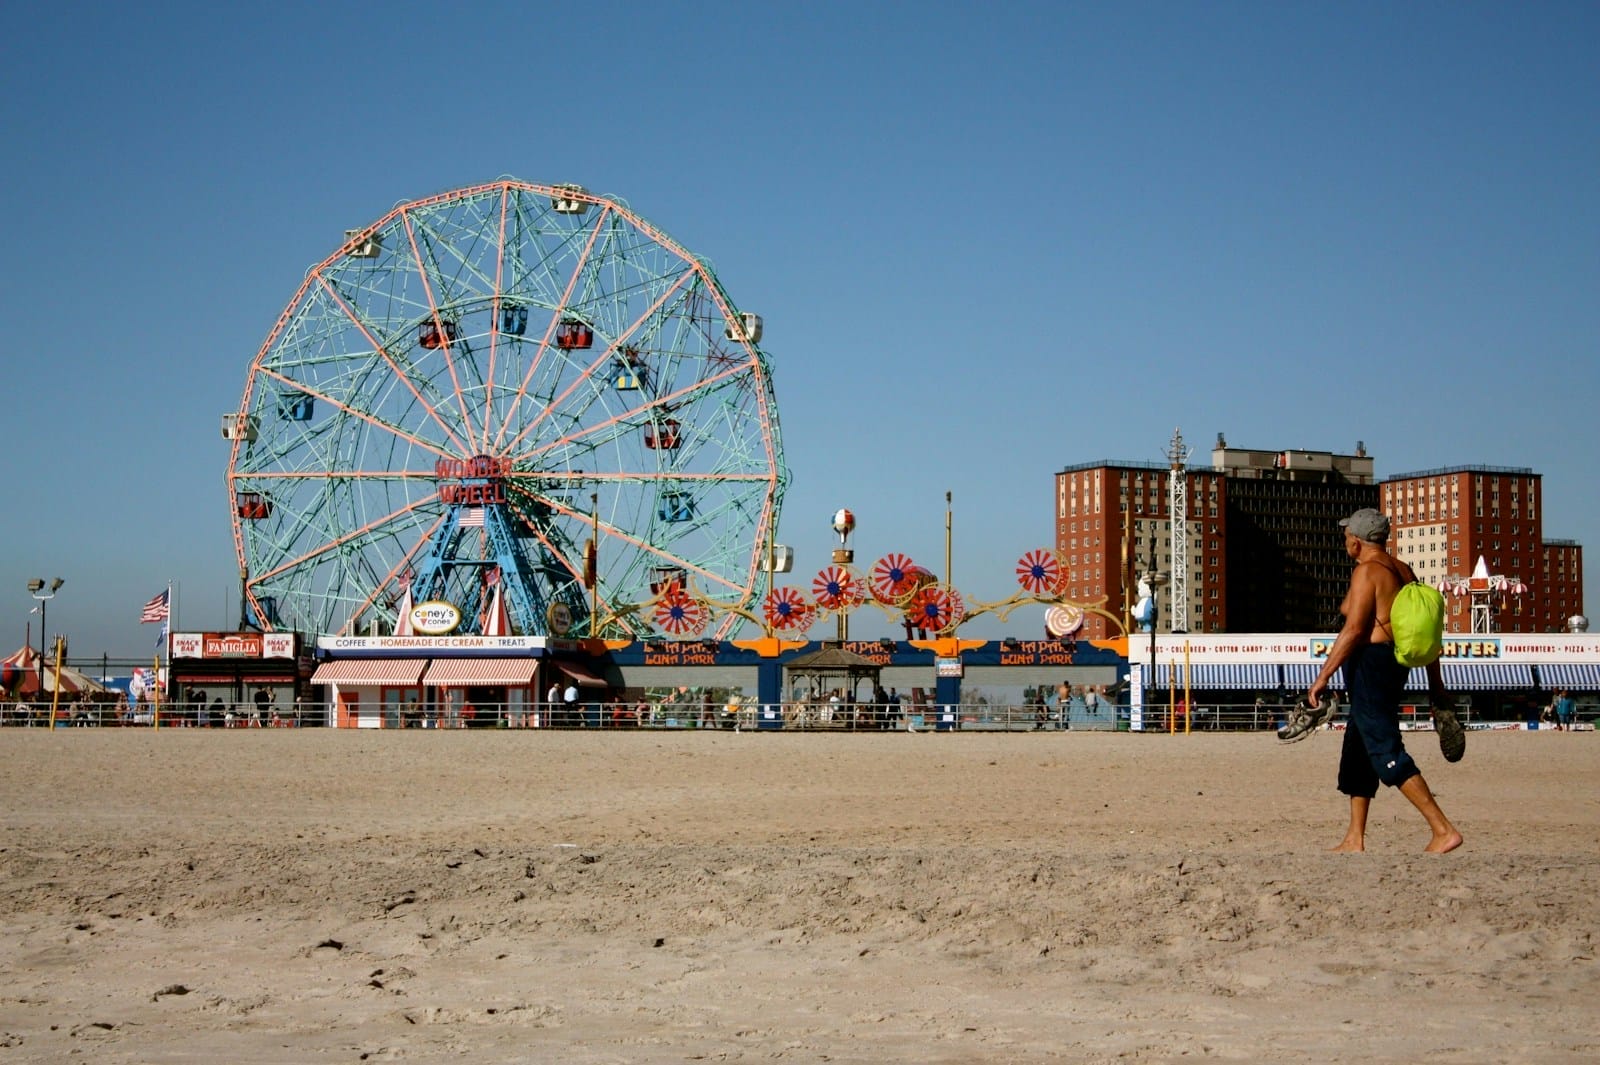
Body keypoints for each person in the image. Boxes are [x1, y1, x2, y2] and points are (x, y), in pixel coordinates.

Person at [1307, 509, 1462, 854]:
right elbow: (1423, 626)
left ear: (1357, 541)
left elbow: (1354, 630)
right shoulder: (1403, 569)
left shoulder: (1368, 572)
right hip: (1393, 664)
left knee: (1383, 747)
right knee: (1359, 748)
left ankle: (1443, 830)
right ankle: (1354, 837)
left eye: (1347, 535)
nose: (1344, 540)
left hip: (1371, 665)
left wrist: (1322, 677)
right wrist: (1437, 685)